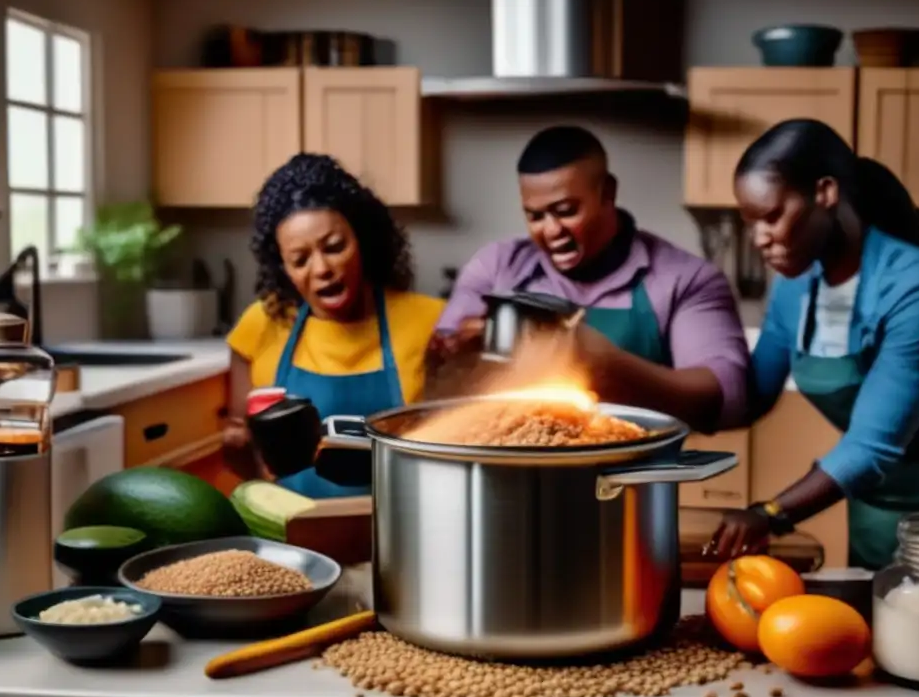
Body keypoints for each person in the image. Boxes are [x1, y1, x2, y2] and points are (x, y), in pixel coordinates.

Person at [707, 118, 919, 570]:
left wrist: (769, 514)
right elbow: (752, 396)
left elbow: (870, 448)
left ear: (825, 193)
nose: (759, 239)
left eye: (770, 217)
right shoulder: (795, 286)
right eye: (750, 223)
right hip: (872, 502)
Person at [431, 125, 749, 433]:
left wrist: (608, 364)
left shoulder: (685, 279)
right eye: (535, 216)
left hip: (634, 478)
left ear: (607, 193)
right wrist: (457, 349)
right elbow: (437, 375)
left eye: (566, 210)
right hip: (513, 469)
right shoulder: (498, 267)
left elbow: (725, 398)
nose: (552, 230)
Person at [224, 153, 445, 498]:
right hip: (294, 539)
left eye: (334, 247)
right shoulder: (261, 325)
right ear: (282, 268)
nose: (322, 268)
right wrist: (237, 442)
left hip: (398, 530)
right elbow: (246, 458)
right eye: (300, 259)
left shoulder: (430, 323)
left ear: (362, 239)